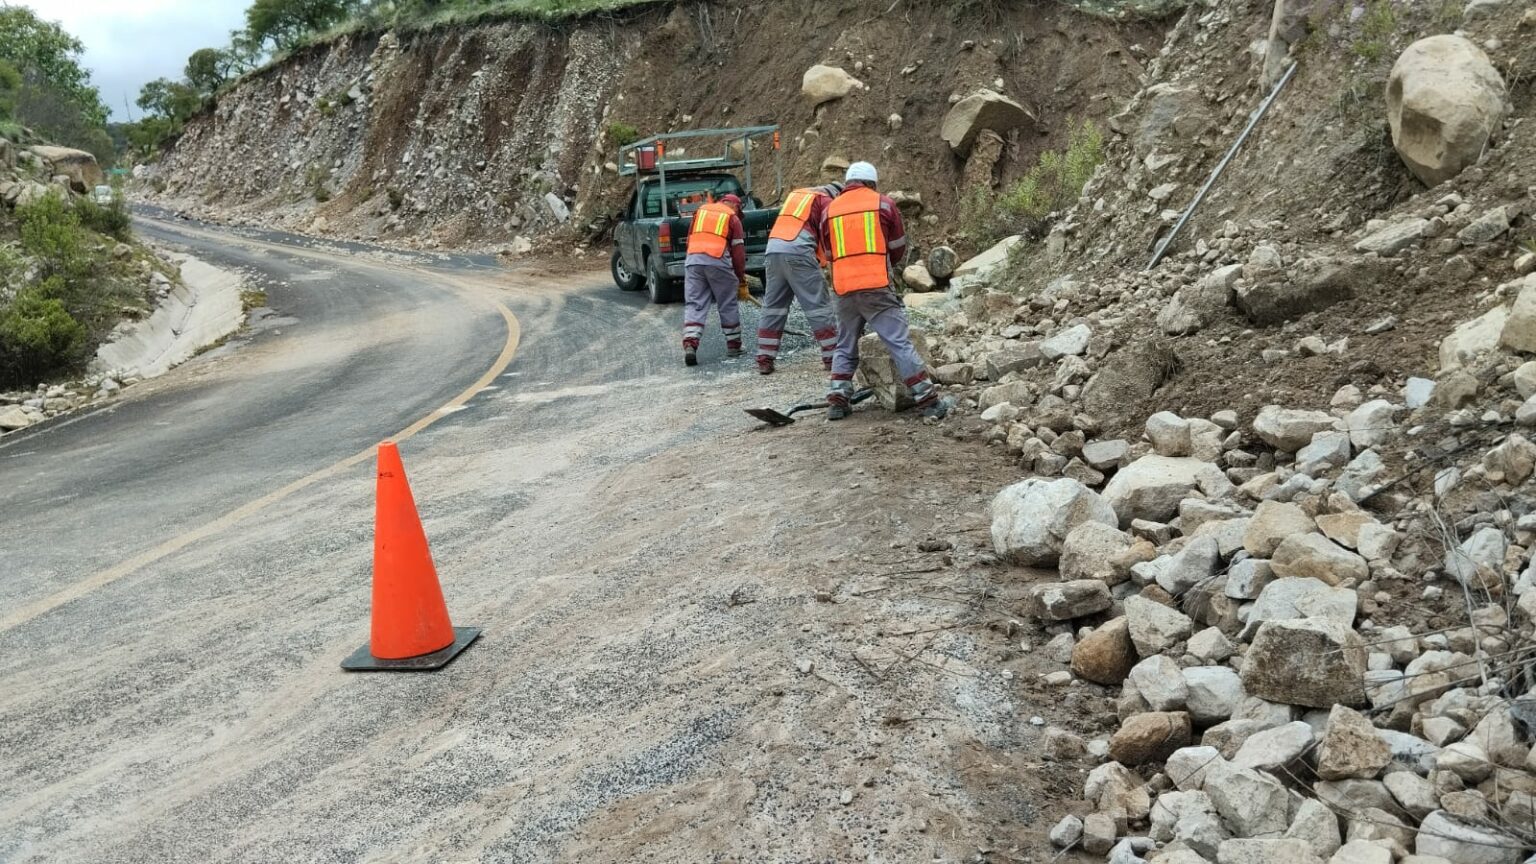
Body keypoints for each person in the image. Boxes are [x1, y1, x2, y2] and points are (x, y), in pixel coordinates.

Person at [821, 161, 950, 420]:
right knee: (899, 343)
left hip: (843, 287)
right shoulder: (883, 204)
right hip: (876, 286)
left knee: (845, 344)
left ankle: (838, 400)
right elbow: (898, 246)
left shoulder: (829, 210)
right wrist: (883, 263)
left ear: (847, 183)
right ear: (871, 183)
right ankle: (927, 398)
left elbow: (827, 252)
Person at [755, 183, 842, 375]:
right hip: (798, 252)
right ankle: (833, 356)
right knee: (818, 306)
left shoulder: (797, 196)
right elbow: (830, 235)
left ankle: (764, 359)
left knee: (773, 307)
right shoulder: (826, 200)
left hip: (773, 251)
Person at [681, 193, 748, 367]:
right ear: (735, 206)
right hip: (718, 260)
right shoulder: (733, 218)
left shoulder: (701, 211)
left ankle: (690, 343)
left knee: (695, 303)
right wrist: (740, 279)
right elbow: (738, 254)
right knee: (727, 302)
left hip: (693, 261)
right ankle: (734, 346)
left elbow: (689, 240)